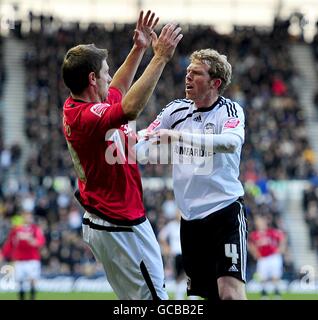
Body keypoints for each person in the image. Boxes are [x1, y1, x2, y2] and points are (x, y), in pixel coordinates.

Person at [61, 10, 183, 300]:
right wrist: (159, 57)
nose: (109, 77)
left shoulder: (85, 105)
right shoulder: (87, 117)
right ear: (92, 79)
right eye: (105, 72)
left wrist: (139, 48)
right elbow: (129, 108)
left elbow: (117, 90)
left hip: (107, 221)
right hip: (121, 224)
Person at [137, 48, 247, 300]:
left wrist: (178, 137)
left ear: (215, 82)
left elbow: (230, 142)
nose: (187, 77)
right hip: (190, 220)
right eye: (187, 71)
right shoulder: (175, 110)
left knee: (230, 294)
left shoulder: (229, 111)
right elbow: (146, 138)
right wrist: (122, 140)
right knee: (202, 296)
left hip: (225, 212)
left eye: (196, 73)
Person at [0, 210, 46, 300]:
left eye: (29, 216)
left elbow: (41, 241)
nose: (27, 218)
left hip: (32, 259)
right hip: (19, 259)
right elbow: (9, 244)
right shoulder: (16, 230)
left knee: (33, 280)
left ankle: (32, 297)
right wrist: (3, 254)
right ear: (22, 217)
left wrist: (33, 241)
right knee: (20, 281)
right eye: (25, 216)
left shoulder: (35, 229)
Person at [248, 215, 287, 299]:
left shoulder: (272, 232)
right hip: (262, 258)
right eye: (258, 222)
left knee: (275, 275)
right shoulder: (254, 234)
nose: (260, 224)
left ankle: (276, 292)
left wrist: (281, 249)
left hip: (273, 256)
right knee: (262, 276)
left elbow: (282, 238)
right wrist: (255, 253)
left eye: (261, 222)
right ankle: (264, 292)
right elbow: (250, 245)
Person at [158, 209, 186, 300]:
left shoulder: (186, 224)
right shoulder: (171, 226)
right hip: (177, 254)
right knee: (178, 277)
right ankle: (179, 297)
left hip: (186, 253)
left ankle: (193, 298)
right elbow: (161, 237)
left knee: (189, 276)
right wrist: (168, 248)